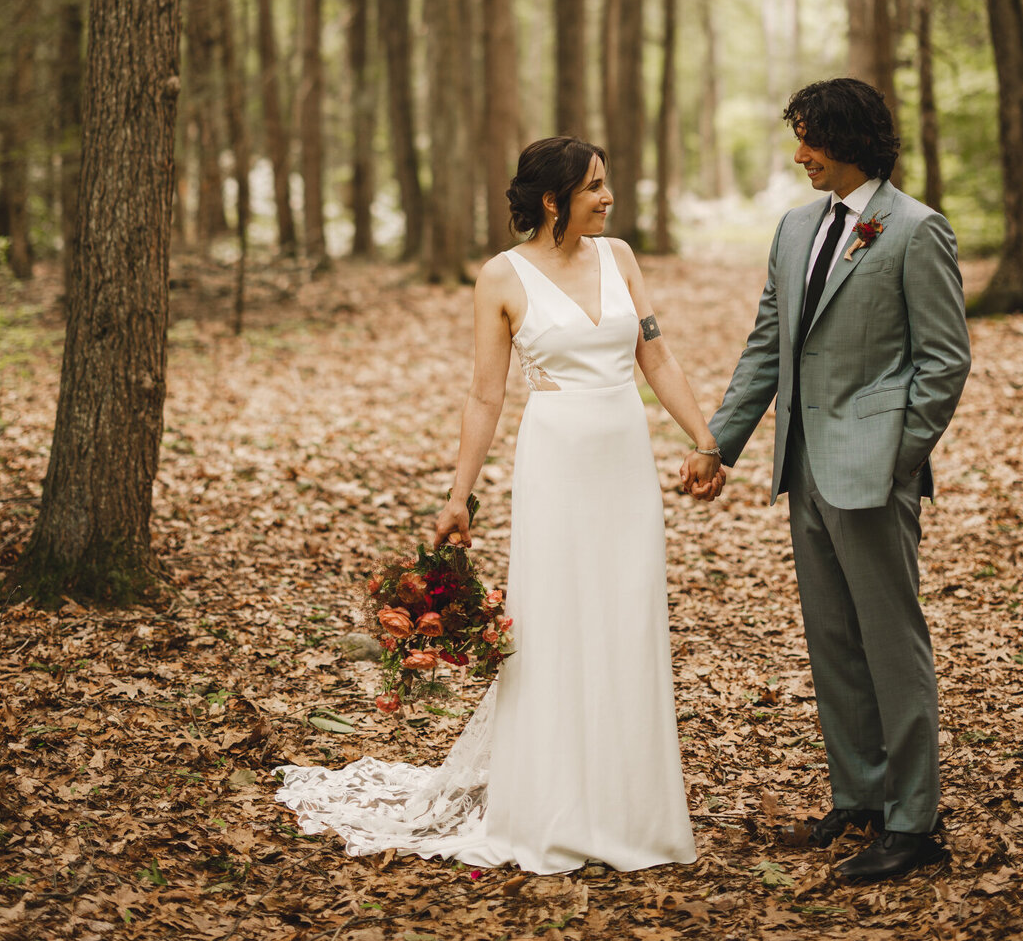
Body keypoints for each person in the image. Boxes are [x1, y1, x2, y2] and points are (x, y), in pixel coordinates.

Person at [274, 136, 720, 873]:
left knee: (627, 616)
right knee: (554, 629)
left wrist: (702, 433)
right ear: (553, 199)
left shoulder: (623, 259)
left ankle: (631, 807)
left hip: (624, 463)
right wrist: (459, 494)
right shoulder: (501, 278)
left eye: (607, 185)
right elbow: (486, 393)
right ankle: (551, 806)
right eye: (595, 187)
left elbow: (656, 356)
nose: (609, 197)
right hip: (555, 464)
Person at [684, 78, 969, 883]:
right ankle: (861, 794)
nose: (800, 154)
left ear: (849, 139)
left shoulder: (916, 230)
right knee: (833, 640)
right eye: (797, 136)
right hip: (802, 465)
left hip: (873, 473)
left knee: (891, 641)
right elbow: (769, 341)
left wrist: (897, 457)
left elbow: (944, 363)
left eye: (810, 138)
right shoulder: (796, 226)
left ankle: (913, 822)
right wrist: (720, 443)